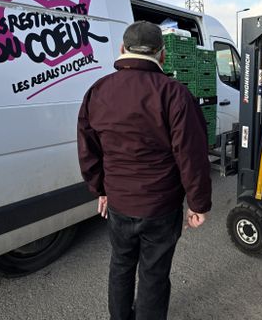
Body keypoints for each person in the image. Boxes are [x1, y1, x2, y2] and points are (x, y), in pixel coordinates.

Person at [77, 21, 211, 320]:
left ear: (122, 50)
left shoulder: (97, 91)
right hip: (161, 207)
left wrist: (100, 189)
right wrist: (198, 203)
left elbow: (88, 150)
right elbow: (191, 155)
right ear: (162, 55)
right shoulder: (175, 93)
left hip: (120, 203)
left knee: (121, 265)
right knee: (154, 273)